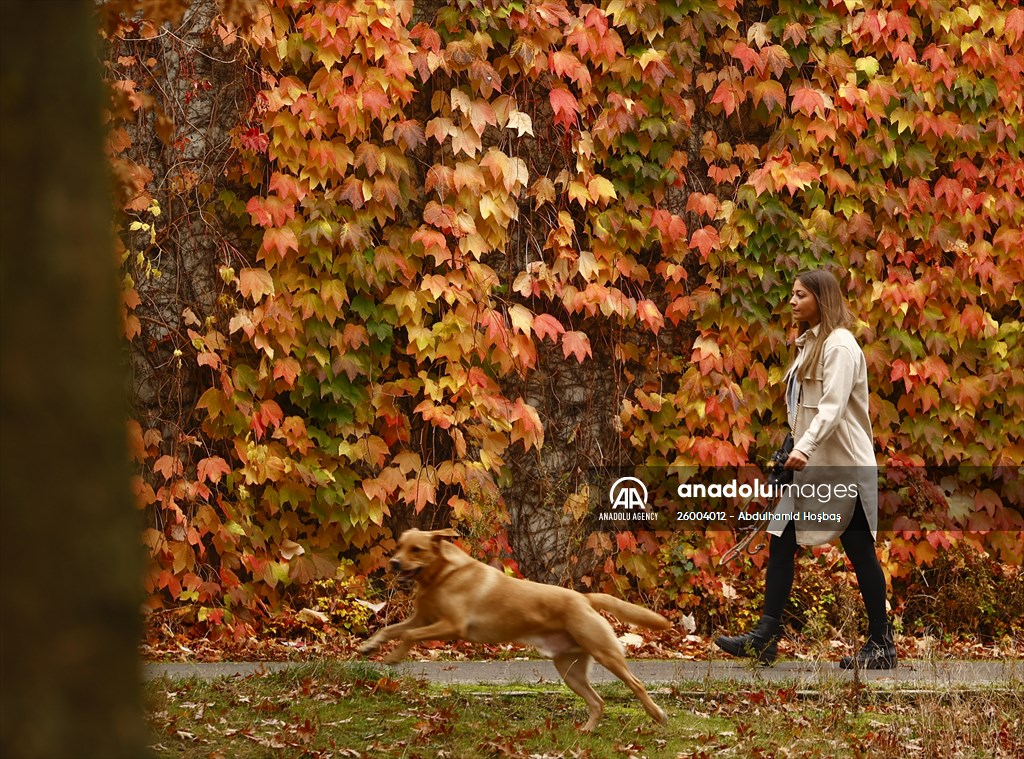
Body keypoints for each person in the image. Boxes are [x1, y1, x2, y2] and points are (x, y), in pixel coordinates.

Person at [715, 269, 896, 669]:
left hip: (842, 467)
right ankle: (765, 638)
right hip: (812, 468)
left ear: (821, 298)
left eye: (800, 295)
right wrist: (790, 448)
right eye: (792, 294)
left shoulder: (840, 346)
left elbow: (831, 408)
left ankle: (882, 644)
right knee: (781, 540)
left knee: (860, 550)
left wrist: (806, 447)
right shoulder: (809, 344)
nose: (792, 301)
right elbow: (804, 410)